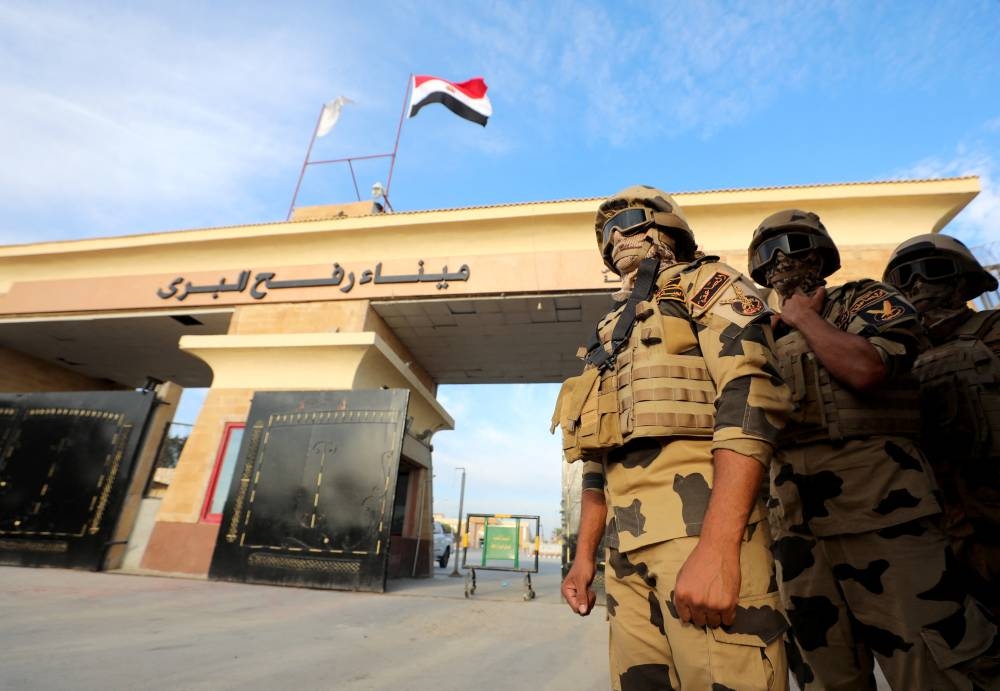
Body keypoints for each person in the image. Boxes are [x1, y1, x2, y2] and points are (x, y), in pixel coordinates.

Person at [553, 185, 792, 690]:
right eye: (606, 232)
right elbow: (597, 456)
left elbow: (752, 396)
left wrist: (720, 548)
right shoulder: (608, 331)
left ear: (667, 227)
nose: (616, 237)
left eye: (630, 221)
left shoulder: (708, 284)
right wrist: (584, 558)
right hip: (625, 553)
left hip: (699, 533)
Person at [749, 210, 998, 690]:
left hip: (884, 514)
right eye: (768, 252)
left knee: (932, 667)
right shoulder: (759, 333)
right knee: (826, 675)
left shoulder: (864, 299)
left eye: (795, 244)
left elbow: (866, 370)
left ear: (821, 254)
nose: (782, 259)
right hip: (797, 530)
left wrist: (805, 319)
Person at [883, 233, 1000, 617]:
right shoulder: (891, 354)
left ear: (964, 281)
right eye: (904, 277)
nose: (917, 282)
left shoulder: (992, 329)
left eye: (932, 270)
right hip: (940, 523)